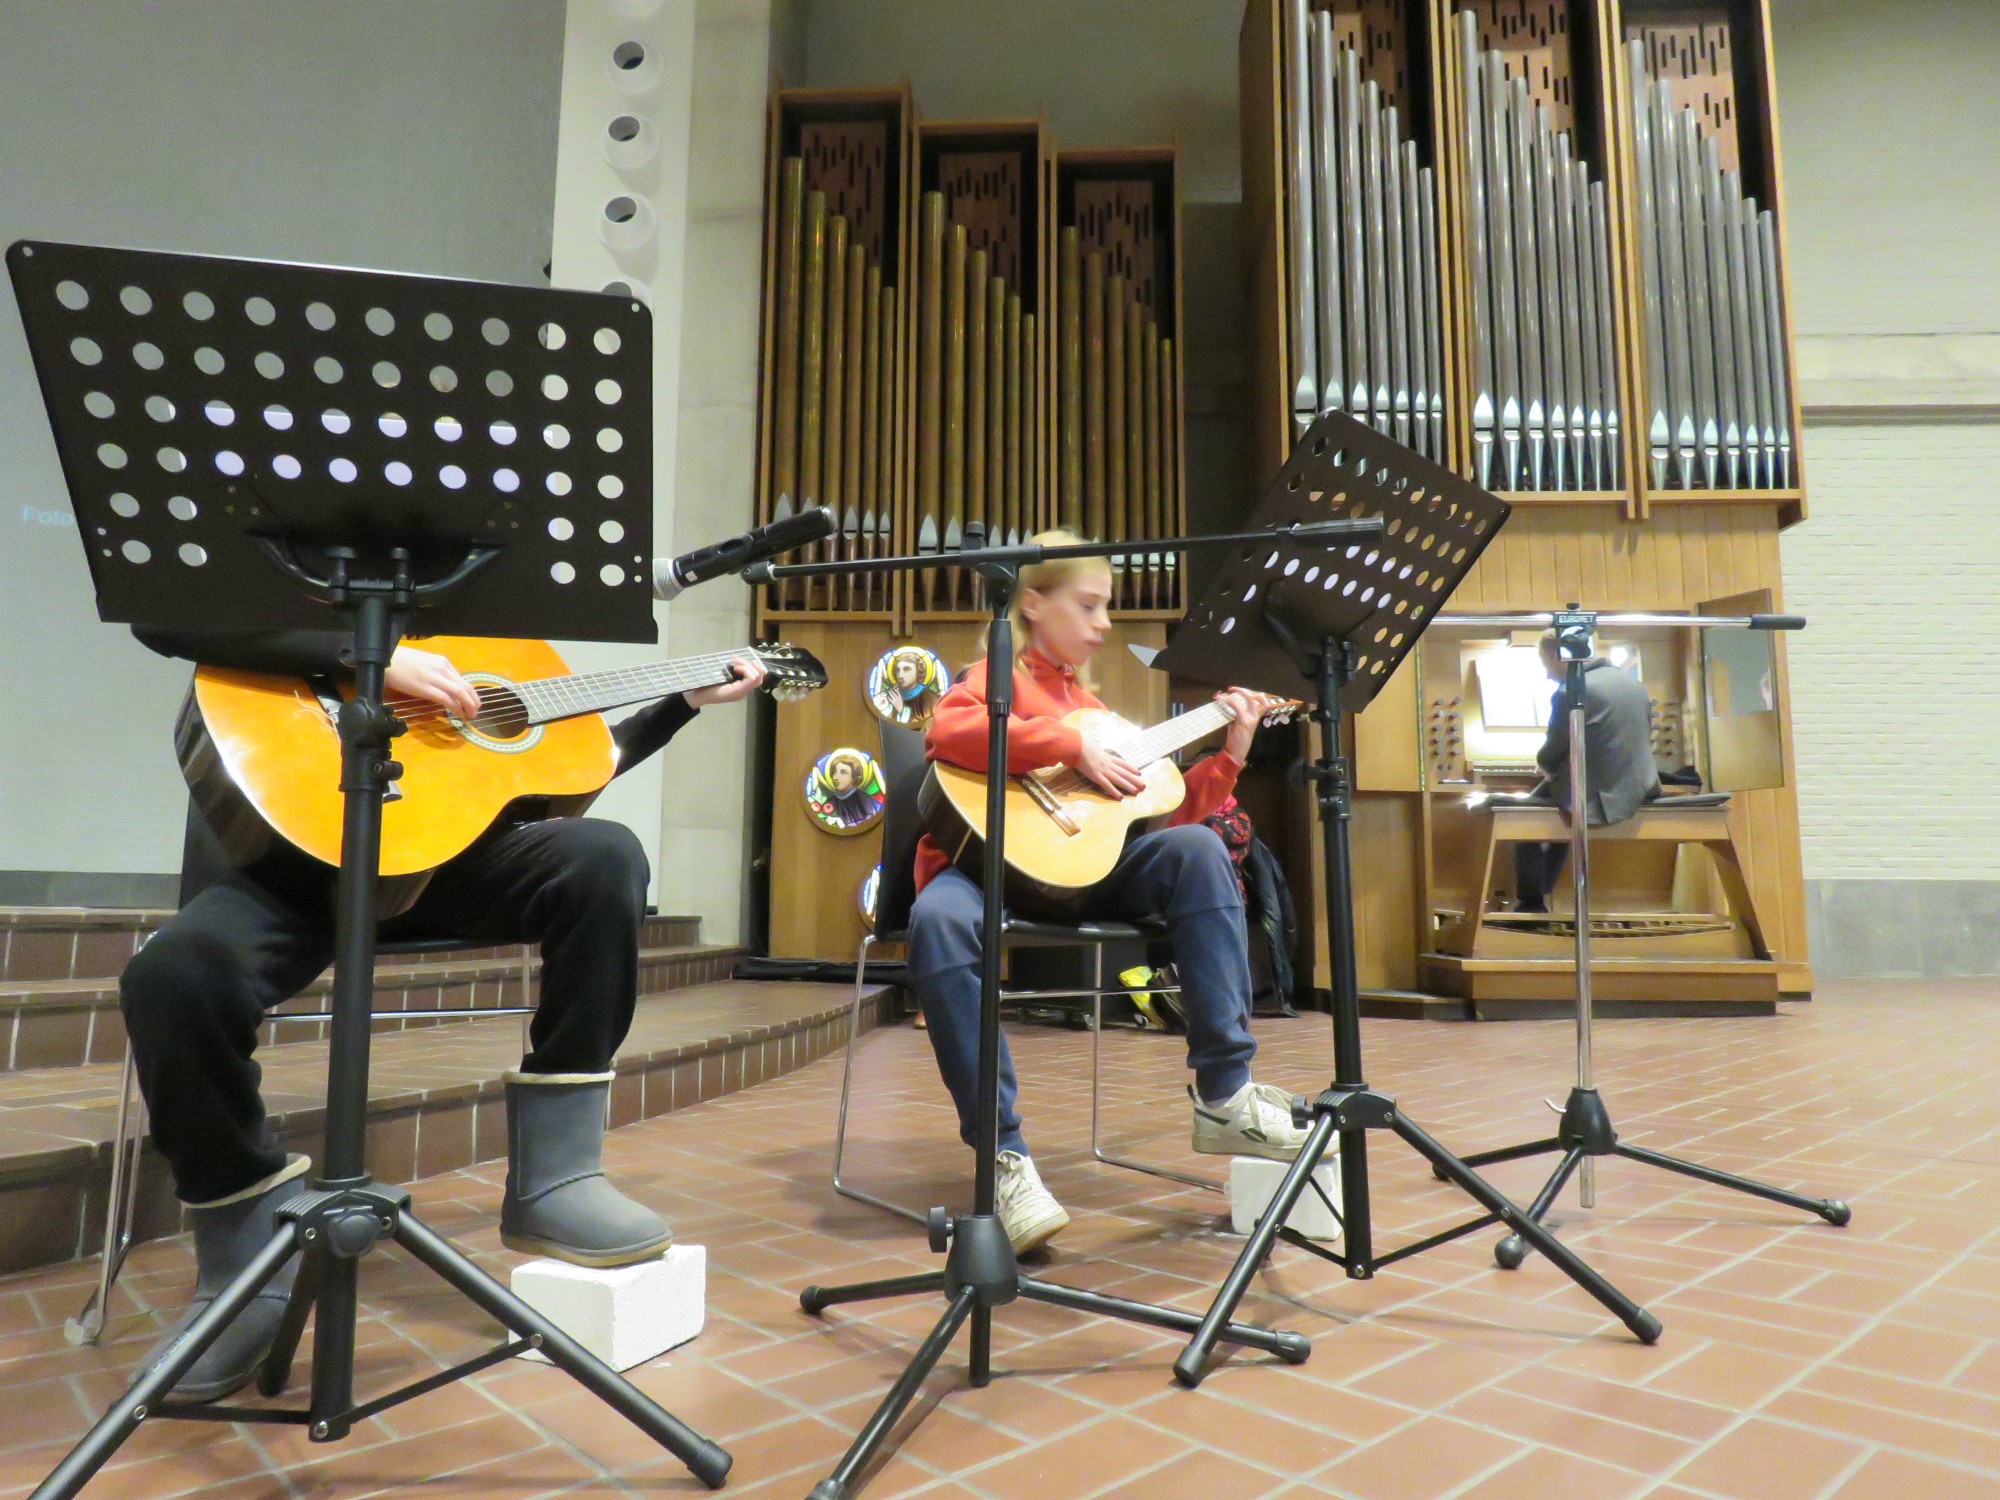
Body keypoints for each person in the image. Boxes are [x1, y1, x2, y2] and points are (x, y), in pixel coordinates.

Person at [121, 624, 765, 1402]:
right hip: (298, 868)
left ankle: (556, 1180)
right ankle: (244, 1257)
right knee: (171, 976)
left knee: (604, 858)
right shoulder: (286, 575)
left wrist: (682, 705)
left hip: (445, 865)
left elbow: (567, 765)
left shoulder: (479, 617)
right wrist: (366, 657)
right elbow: (167, 618)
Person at [906, 533, 1308, 1254]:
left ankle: (1223, 1093)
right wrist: (1067, 747)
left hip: (1083, 878)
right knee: (936, 920)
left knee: (1198, 848)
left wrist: (1234, 750)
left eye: (1107, 608)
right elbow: (948, 729)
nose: (1104, 624)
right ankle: (1003, 1155)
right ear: (1032, 603)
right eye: (1088, 605)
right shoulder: (993, 677)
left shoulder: (1100, 712)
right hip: (984, 874)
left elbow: (1165, 816)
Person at [1514, 633, 1662, 913]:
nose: (1547, 674)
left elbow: (1550, 753)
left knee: (1522, 818)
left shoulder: (1571, 690)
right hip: (1640, 784)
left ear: (1559, 656)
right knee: (1559, 815)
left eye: (1545, 665)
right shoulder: (1632, 683)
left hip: (1597, 790)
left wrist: (1544, 766)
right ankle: (1541, 898)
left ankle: (1531, 905)